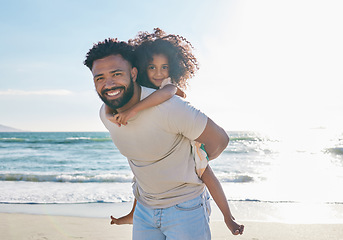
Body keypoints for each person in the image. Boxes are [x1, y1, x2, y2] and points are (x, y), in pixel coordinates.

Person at [84, 35, 240, 240]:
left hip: (185, 209)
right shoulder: (106, 115)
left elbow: (220, 141)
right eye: (100, 77)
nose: (109, 83)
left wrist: (194, 162)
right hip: (145, 212)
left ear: (133, 73)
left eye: (116, 74)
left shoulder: (170, 107)